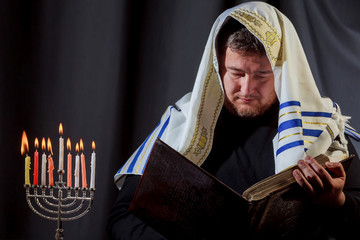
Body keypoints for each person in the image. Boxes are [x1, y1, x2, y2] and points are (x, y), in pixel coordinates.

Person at [108, 2, 360, 239]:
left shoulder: (323, 131)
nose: (247, 88)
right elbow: (122, 218)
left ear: (283, 73)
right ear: (217, 67)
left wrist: (336, 202)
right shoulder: (182, 127)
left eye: (262, 75)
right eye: (236, 73)